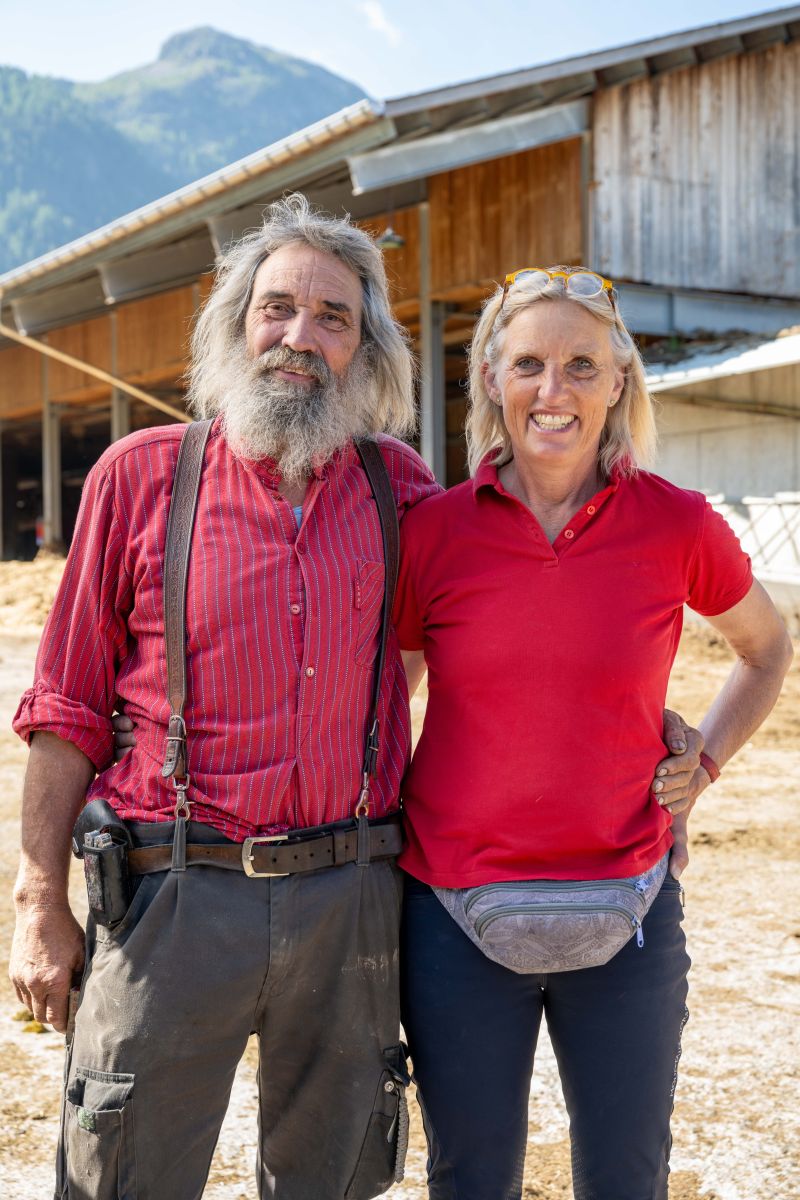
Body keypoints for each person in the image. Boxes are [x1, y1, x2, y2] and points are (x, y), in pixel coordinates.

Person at [8, 194, 442, 1200]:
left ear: (366, 349)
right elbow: (65, 708)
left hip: (350, 897)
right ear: (236, 324)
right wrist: (37, 904)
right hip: (170, 894)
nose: (300, 336)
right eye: (277, 307)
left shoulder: (400, 486)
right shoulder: (139, 476)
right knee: (123, 1177)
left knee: (335, 1178)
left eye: (333, 317)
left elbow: (470, 633)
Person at [393, 267, 793, 1200]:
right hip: (453, 911)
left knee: (625, 1178)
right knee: (469, 1178)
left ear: (619, 382)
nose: (555, 389)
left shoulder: (676, 522)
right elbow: (381, 705)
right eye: (529, 363)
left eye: (582, 365)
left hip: (629, 908)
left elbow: (767, 650)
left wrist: (705, 763)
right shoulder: (433, 534)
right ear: (491, 378)